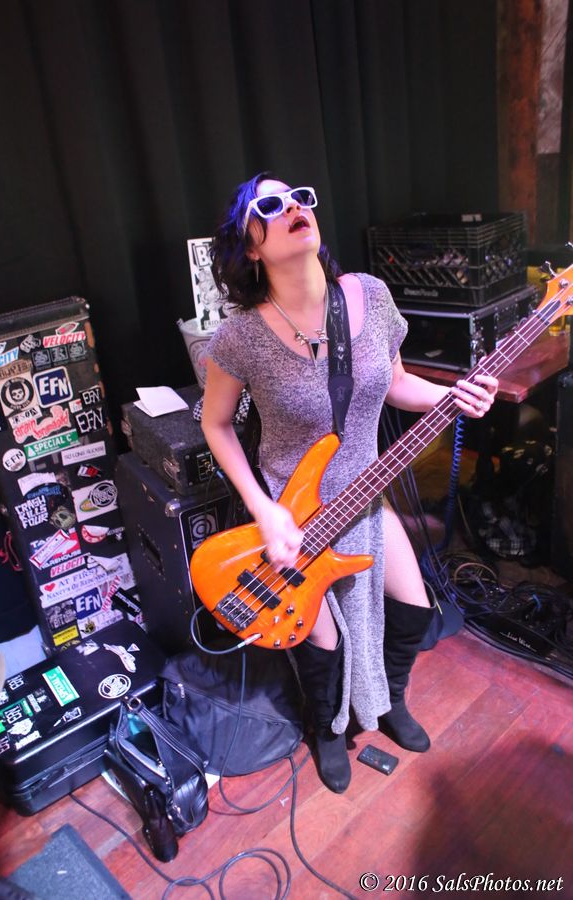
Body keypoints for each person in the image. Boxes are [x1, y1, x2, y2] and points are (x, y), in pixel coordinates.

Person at [201, 173, 498, 793]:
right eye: (271, 206)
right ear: (251, 246)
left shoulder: (370, 295)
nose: (293, 208)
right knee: (321, 640)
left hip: (364, 496)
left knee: (415, 609)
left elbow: (397, 383)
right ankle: (328, 729)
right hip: (293, 515)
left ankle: (388, 702)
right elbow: (216, 424)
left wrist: (454, 395)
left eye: (300, 198)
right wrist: (264, 510)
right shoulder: (241, 337)